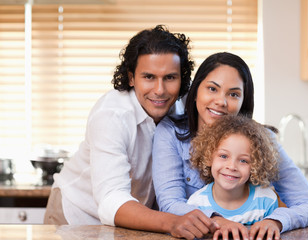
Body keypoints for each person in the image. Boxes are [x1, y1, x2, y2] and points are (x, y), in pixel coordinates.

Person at [43, 25, 219, 240]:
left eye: (170, 78)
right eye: (149, 77)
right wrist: (173, 221)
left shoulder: (184, 107)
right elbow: (111, 199)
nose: (160, 90)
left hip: (135, 219)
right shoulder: (111, 116)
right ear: (131, 78)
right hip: (77, 215)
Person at [152, 52, 308, 240]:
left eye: (234, 94)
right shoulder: (170, 133)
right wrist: (216, 221)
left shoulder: (262, 139)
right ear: (195, 92)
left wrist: (276, 220)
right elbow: (170, 205)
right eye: (212, 89)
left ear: (243, 102)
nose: (221, 101)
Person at [187, 115, 281, 239]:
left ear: (256, 165)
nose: (232, 167)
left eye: (243, 160)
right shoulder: (196, 204)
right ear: (209, 158)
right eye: (224, 156)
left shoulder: (266, 200)